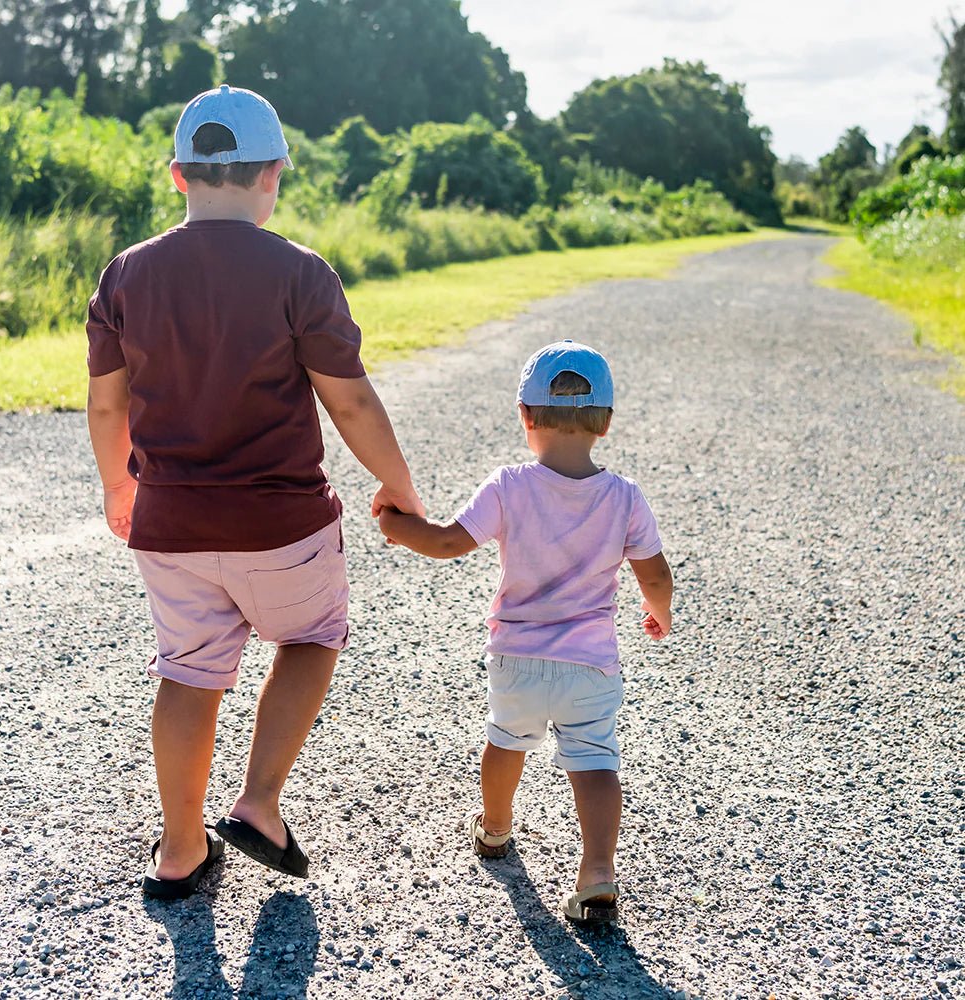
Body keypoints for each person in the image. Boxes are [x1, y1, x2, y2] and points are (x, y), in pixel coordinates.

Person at [85, 85, 423, 900]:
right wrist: (398, 484)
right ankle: (259, 803)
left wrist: (118, 487)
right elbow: (349, 402)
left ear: (178, 175)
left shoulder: (126, 273)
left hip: (170, 525)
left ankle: (178, 851)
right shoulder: (301, 273)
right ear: (273, 175)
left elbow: (106, 406)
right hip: (282, 526)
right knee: (312, 636)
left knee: (188, 673)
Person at [377, 340, 673, 924]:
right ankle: (597, 872)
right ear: (606, 423)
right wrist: (658, 610)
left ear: (526, 416)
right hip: (590, 664)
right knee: (595, 761)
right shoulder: (625, 498)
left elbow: (447, 542)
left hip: (517, 657)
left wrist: (395, 523)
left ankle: (494, 828)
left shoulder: (509, 485)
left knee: (506, 741)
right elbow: (656, 575)